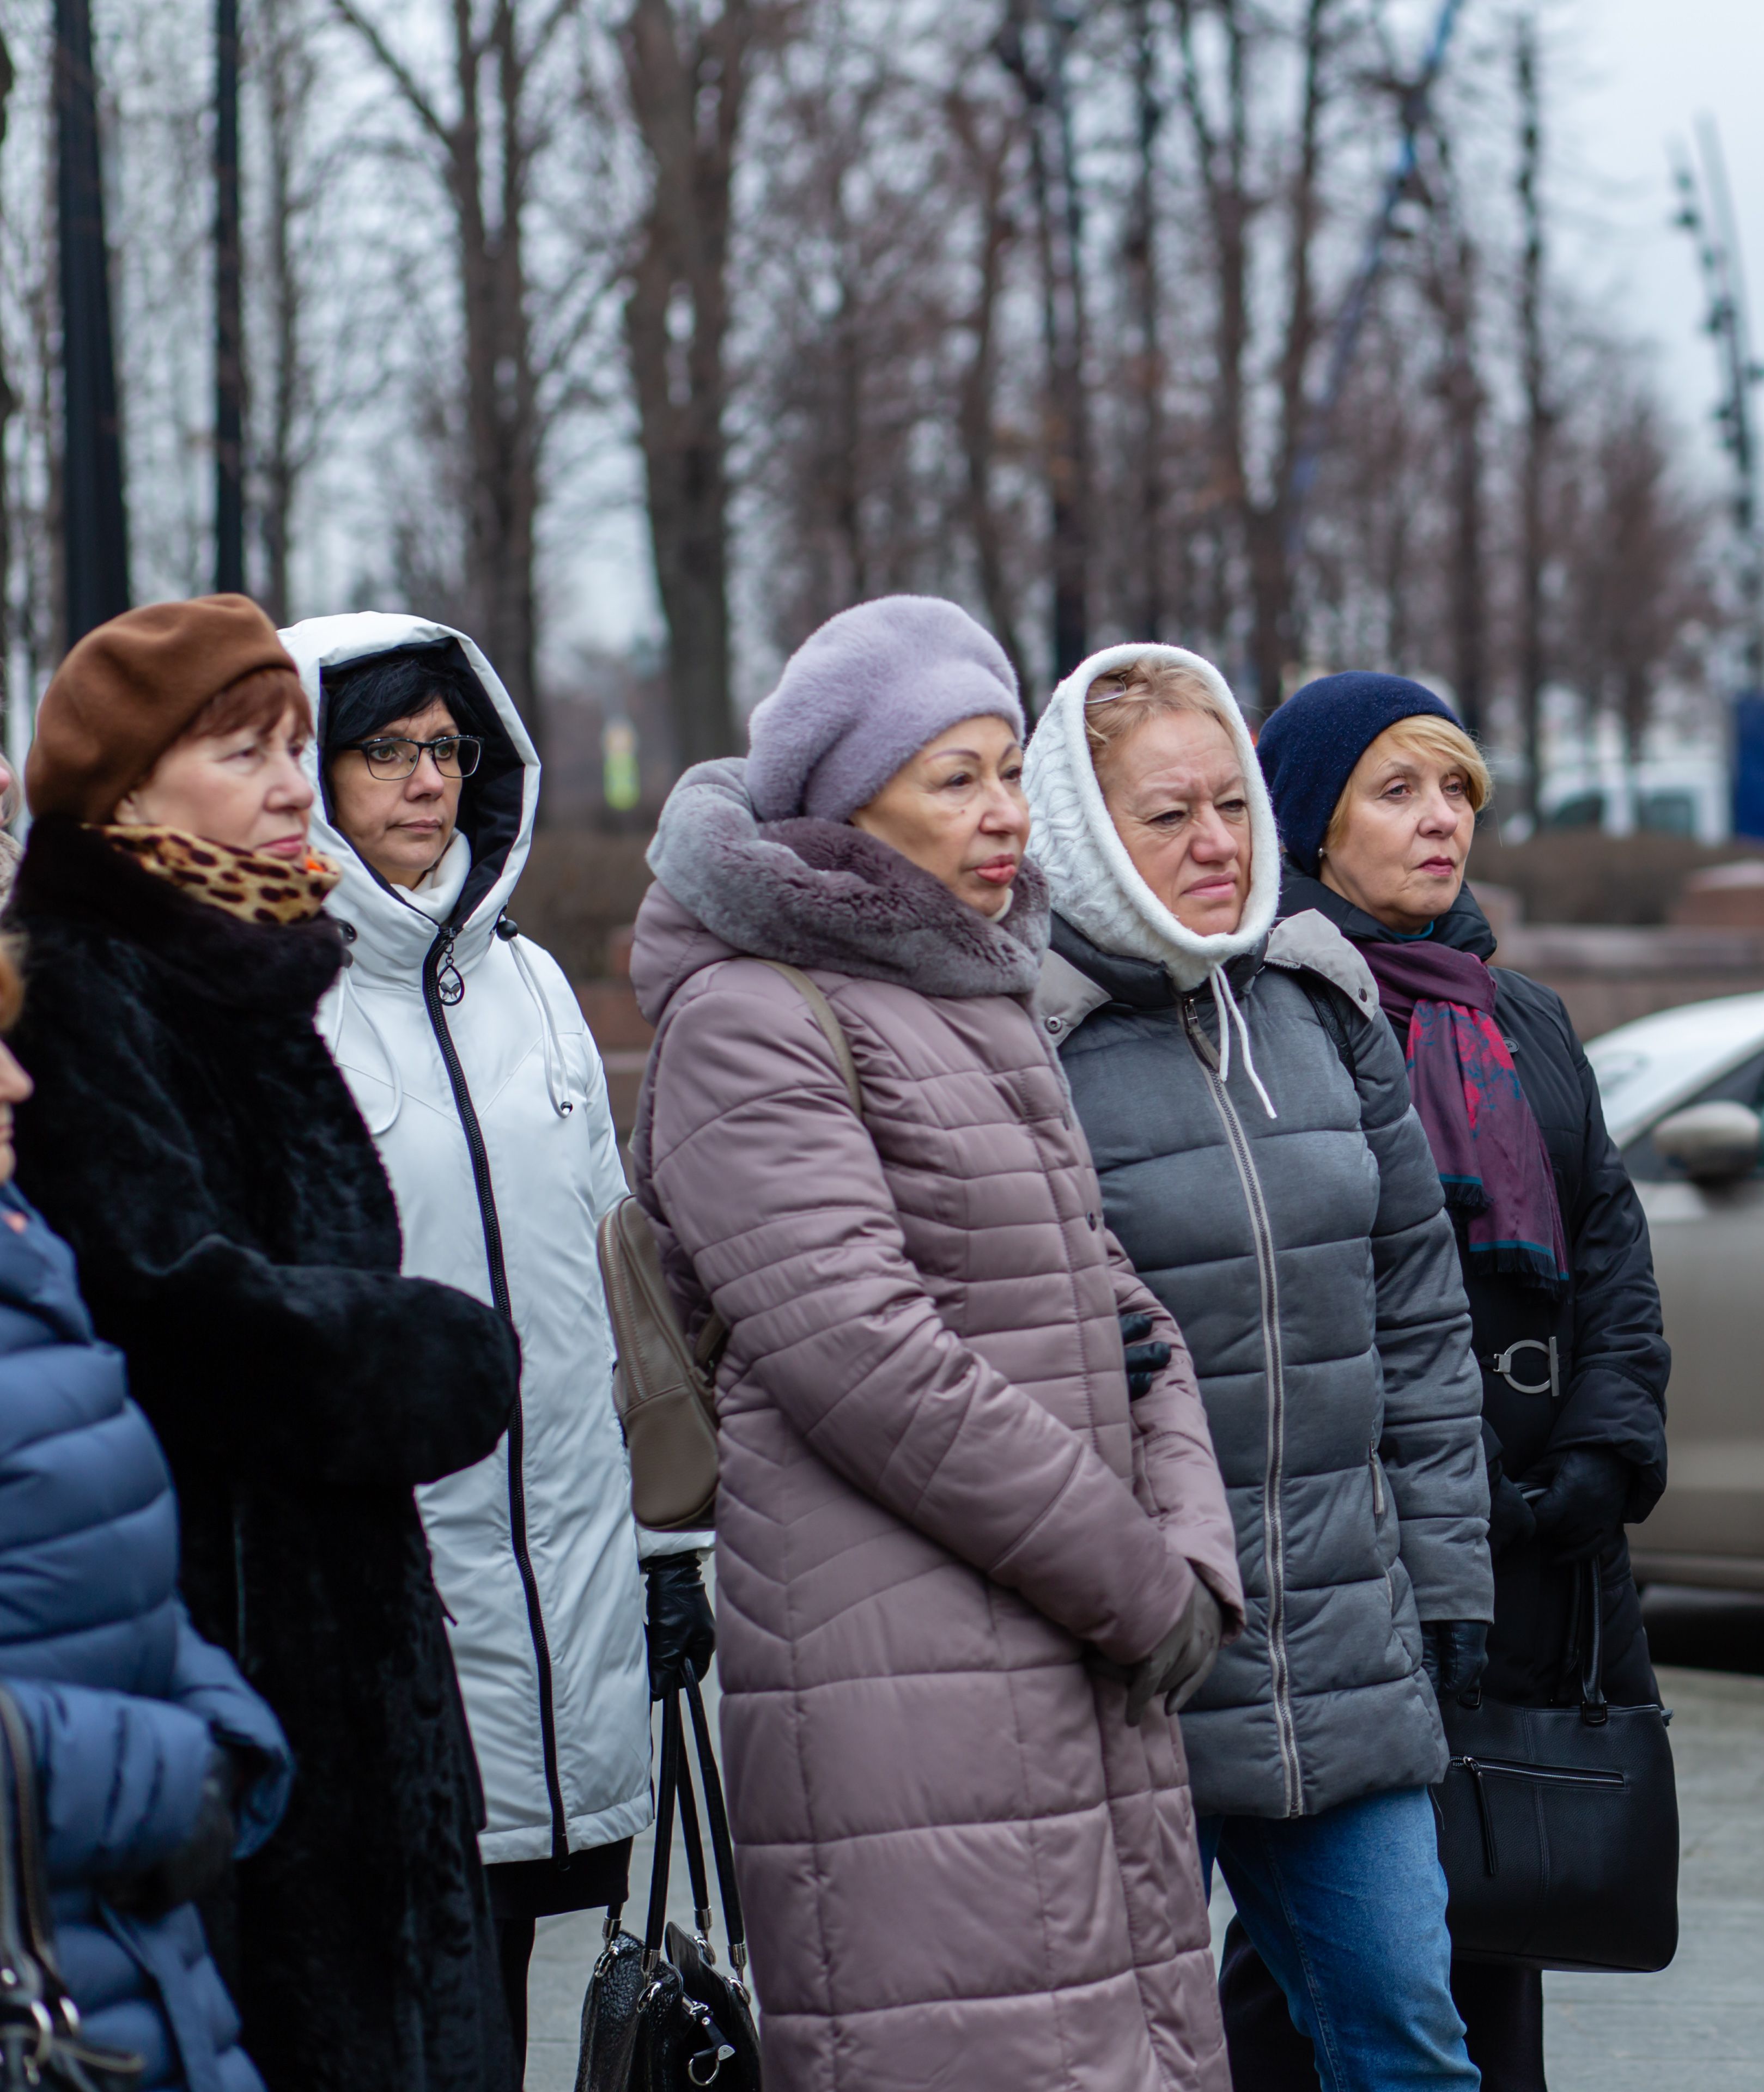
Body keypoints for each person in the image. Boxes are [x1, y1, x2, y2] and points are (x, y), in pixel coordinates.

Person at [631, 595, 1241, 2090]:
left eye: (1007, 771)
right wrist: (1134, 1578)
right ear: (847, 809)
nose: (1005, 817)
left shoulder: (972, 993)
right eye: (951, 779)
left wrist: (1194, 1553)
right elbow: (867, 1357)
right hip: (897, 1666)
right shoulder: (750, 1015)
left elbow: (1123, 1304)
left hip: (1069, 1641)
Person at [4, 594, 524, 2091]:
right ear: (126, 791)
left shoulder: (245, 967)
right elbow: (178, 1306)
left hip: (352, 1640)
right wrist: (439, 1359)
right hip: (220, 1640)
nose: (296, 785)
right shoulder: (89, 984)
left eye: (298, 748)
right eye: (247, 752)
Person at [1025, 643, 1495, 2092]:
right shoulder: (1026, 1037)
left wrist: (1450, 1581)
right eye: (1168, 816)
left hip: (1344, 1645)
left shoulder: (1316, 998)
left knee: (1407, 2034)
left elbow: (1418, 1310)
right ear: (1081, 829)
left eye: (1233, 804)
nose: (1219, 844)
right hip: (1136, 1660)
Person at [284, 613, 714, 2050]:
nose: (423, 781)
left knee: (566, 2024)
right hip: (404, 1627)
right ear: (310, 766)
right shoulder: (282, 1006)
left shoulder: (531, 984)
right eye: (383, 750)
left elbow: (625, 1286)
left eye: (446, 749)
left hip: (583, 1607)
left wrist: (670, 1549)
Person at [1243, 673, 1672, 2089]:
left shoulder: (1523, 1013)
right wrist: (1427, 1468)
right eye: (1399, 792)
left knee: (1502, 1892)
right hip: (1366, 1538)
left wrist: (1607, 1445)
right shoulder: (1270, 1012)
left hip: (1542, 1530)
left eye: (1459, 795)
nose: (1442, 826)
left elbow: (1608, 1237)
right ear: (1309, 825)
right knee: (1329, 1919)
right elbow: (1289, 1276)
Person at [0, 933, 295, 2092]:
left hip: (123, 1971)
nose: (19, 1080)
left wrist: (227, 1729)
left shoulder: (28, 1265)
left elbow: (109, 1583)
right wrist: (175, 1776)